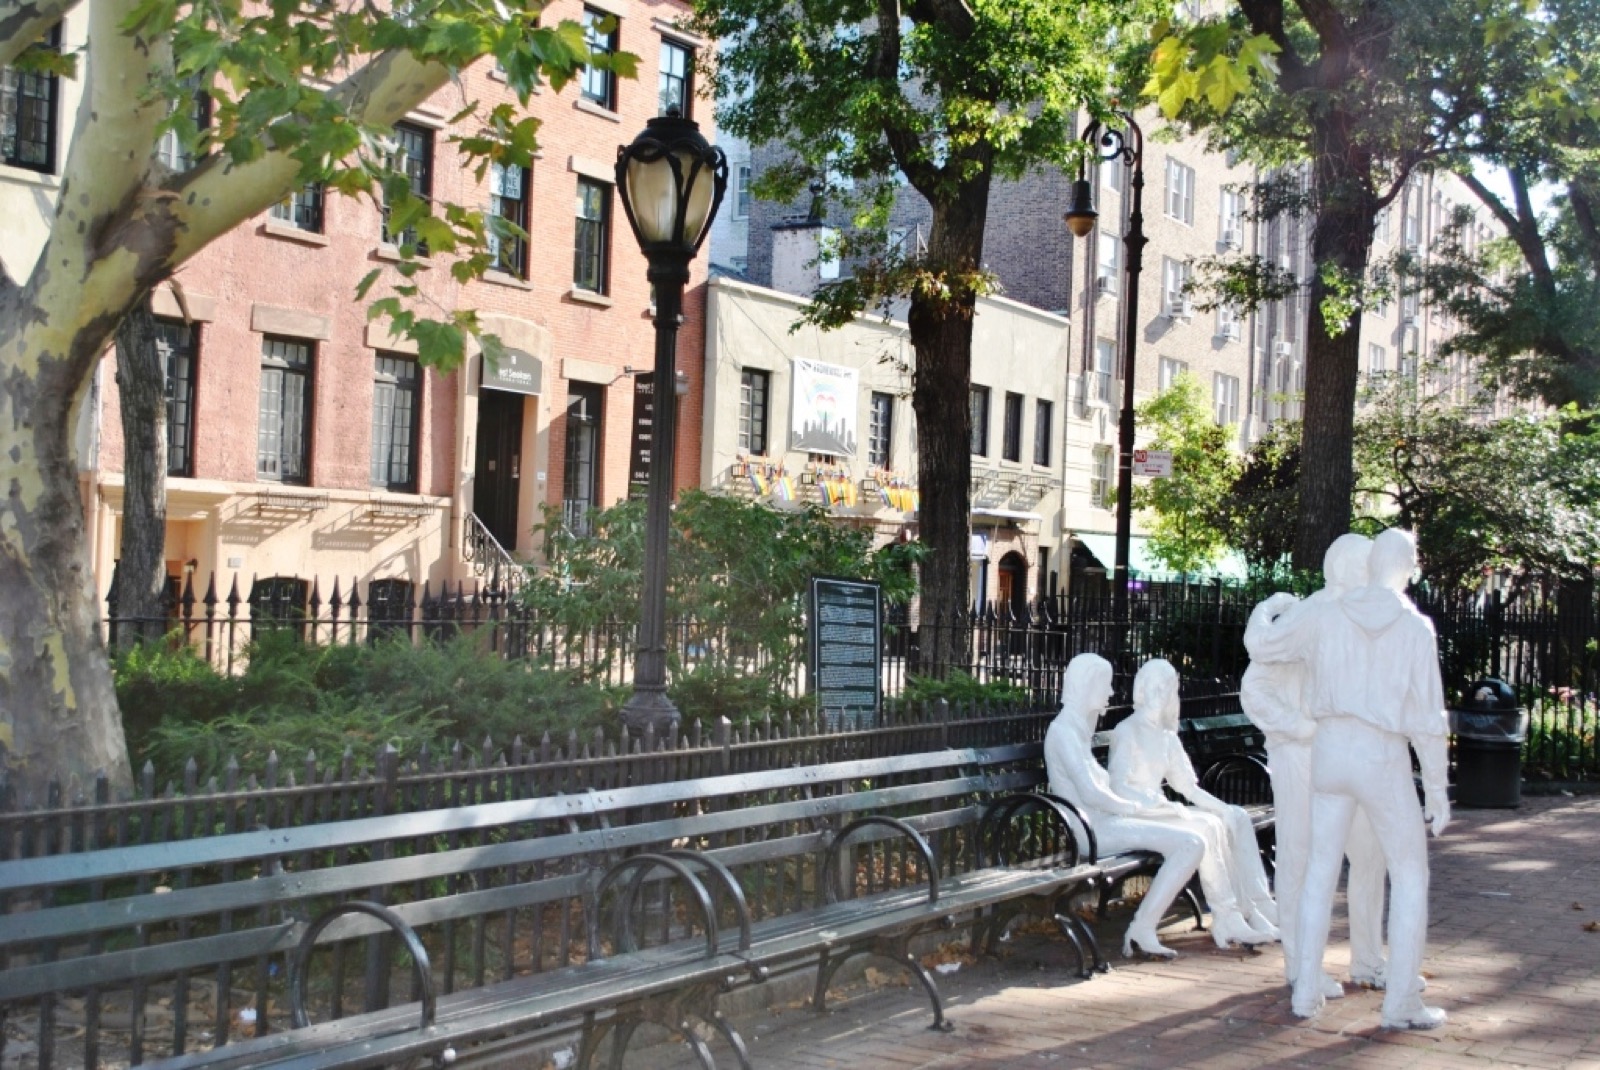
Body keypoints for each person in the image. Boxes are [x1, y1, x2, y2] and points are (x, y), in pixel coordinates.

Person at [1246, 528, 1450, 1029]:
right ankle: (1376, 994)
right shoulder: (1398, 624)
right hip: (1359, 753)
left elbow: (1265, 646)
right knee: (1400, 871)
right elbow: (1427, 718)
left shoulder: (1335, 614)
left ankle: (1332, 979)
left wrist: (1268, 613)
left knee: (1334, 864)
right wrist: (1439, 786)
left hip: (1332, 753)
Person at [1242, 536, 1389, 999]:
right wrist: (1298, 727)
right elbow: (1255, 682)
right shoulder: (1313, 614)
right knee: (1302, 859)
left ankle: (1368, 960)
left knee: (1369, 854)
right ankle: (1302, 967)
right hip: (1303, 756)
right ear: (1345, 570)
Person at [1107, 659, 1279, 948]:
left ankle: (1258, 906)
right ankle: (1228, 916)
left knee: (1234, 817)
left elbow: (1187, 786)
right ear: (1142, 689)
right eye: (1155, 686)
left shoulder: (1166, 735)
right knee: (1208, 825)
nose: (1161, 693)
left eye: (1167, 687)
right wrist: (1154, 802)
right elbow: (1118, 786)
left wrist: (1223, 807)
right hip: (1141, 813)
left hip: (1162, 809)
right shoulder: (1127, 730)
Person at [1044, 653, 1205, 958]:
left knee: (1191, 839)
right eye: (1104, 684)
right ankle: (1141, 930)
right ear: (1085, 685)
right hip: (1091, 832)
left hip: (1105, 823)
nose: (1110, 692)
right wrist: (1136, 809)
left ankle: (1143, 929)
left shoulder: (1077, 731)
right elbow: (1092, 794)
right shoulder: (1063, 732)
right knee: (1189, 844)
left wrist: (1145, 806)